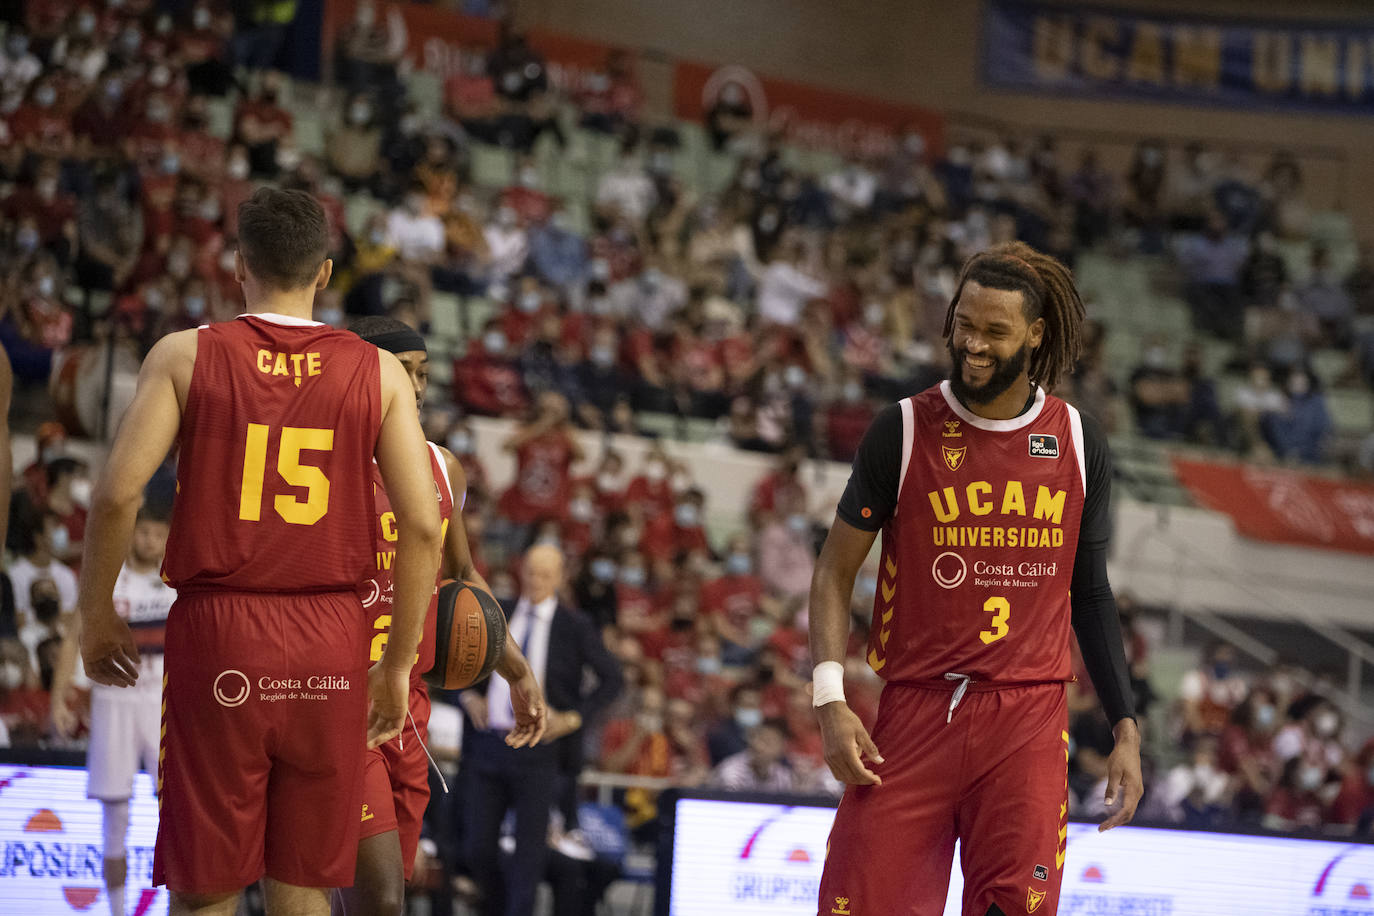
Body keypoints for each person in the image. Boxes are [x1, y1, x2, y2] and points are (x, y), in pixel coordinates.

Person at [75, 188, 443, 916]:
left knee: (206, 885)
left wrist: (95, 615)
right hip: (330, 640)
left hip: (222, 634)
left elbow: (116, 496)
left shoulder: (185, 355)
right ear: (326, 273)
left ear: (238, 264)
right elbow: (425, 528)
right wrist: (396, 663)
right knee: (300, 881)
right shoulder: (379, 372)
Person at [809, 241, 1142, 916]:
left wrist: (1126, 724)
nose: (974, 344)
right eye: (965, 324)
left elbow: (1092, 594)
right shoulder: (901, 429)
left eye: (995, 331)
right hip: (914, 713)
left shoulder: (1077, 440)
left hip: (1027, 720)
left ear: (1036, 335)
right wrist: (829, 697)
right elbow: (833, 573)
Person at [339, 316, 548, 915]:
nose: (419, 386)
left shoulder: (441, 466)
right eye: (404, 371)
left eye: (424, 373)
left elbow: (461, 576)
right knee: (376, 896)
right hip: (340, 693)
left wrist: (515, 666)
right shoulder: (327, 457)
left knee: (383, 894)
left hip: (411, 704)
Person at [457, 543, 623, 916]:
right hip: (490, 745)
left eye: (546, 575)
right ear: (521, 571)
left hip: (541, 752)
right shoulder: (500, 611)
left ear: (560, 578)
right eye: (531, 572)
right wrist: (469, 696)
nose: (536, 581)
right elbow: (459, 660)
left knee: (529, 856)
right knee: (477, 848)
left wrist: (572, 718)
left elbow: (613, 679)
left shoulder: (575, 625)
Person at [52, 509, 175, 916]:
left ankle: (181, 904)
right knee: (114, 822)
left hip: (160, 704)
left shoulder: (177, 582)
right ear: (131, 533)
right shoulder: (106, 579)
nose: (150, 541)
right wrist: (58, 698)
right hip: (112, 704)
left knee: (175, 816)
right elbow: (73, 636)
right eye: (144, 532)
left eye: (159, 534)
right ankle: (118, 911)